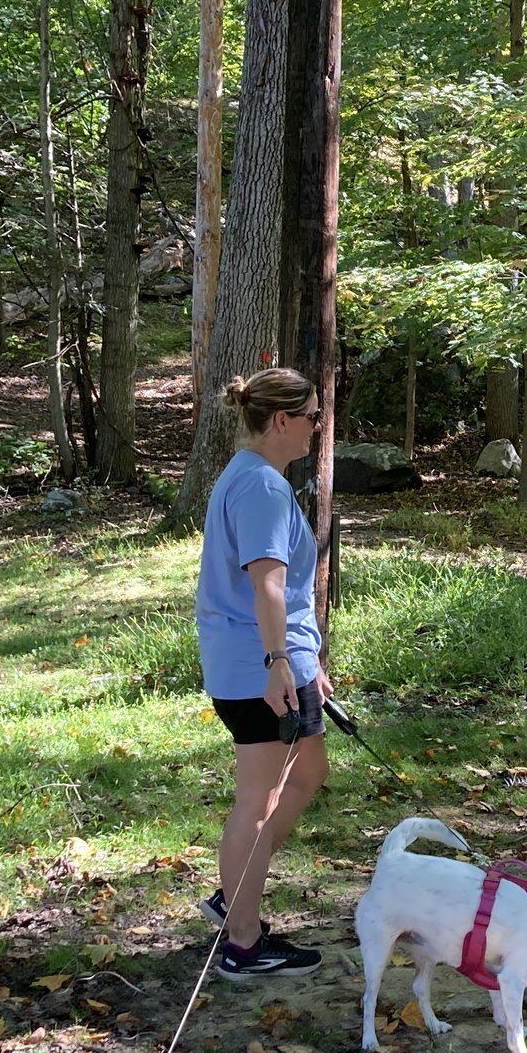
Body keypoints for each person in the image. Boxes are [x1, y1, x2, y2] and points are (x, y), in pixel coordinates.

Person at [195, 368, 330, 980]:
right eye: (310, 418)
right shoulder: (261, 490)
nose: (316, 428)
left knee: (307, 773)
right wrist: (281, 665)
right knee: (259, 798)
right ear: (281, 421)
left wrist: (305, 662)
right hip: (258, 669)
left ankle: (234, 891)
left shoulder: (253, 477)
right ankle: (242, 942)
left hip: (270, 661)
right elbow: (267, 584)